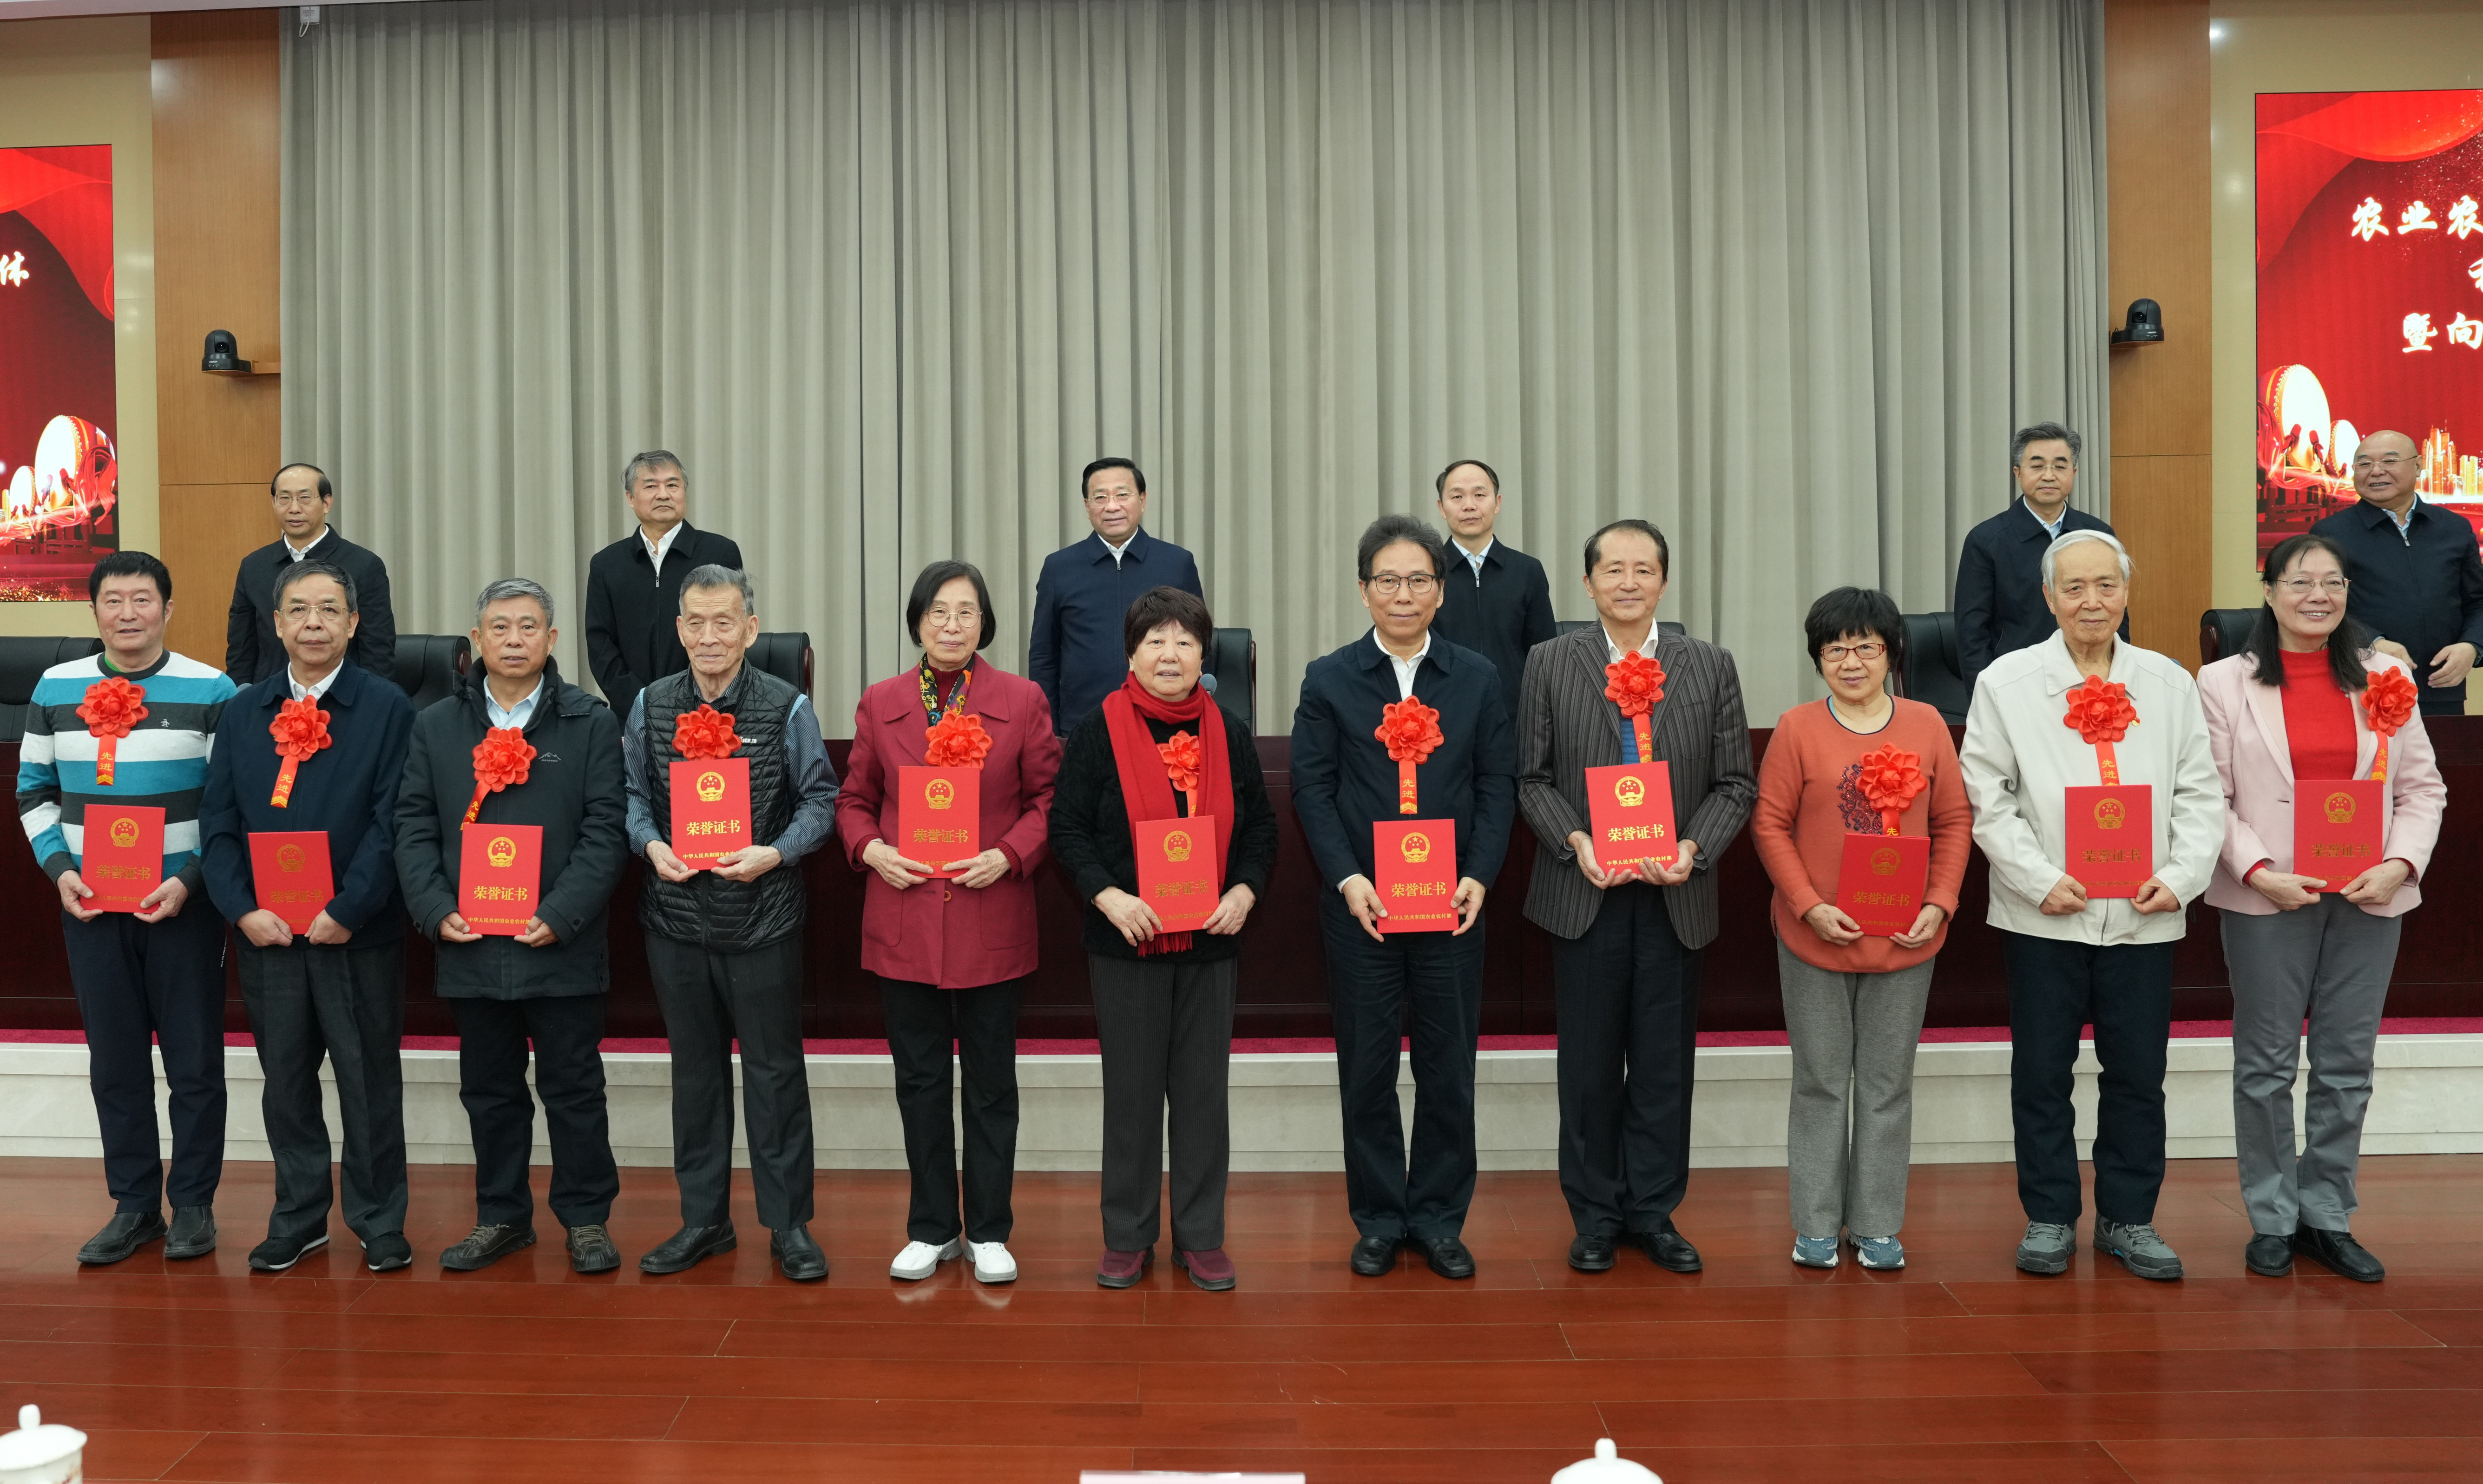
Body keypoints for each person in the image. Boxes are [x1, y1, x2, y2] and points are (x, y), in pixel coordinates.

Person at [1960, 530, 2222, 1281]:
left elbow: (2201, 793)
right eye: (2073, 587)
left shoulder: (2168, 682)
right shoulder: (2006, 682)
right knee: (2041, 1071)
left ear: (2125, 592)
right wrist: (2036, 877)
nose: (2091, 600)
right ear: (2047, 597)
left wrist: (2179, 877)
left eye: (2105, 584)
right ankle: (2048, 1215)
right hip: (2043, 914)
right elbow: (1986, 796)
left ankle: (2127, 1217)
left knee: (2136, 1072)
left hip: (2144, 912)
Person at [2198, 533, 2444, 1282]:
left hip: (2369, 894)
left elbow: (2422, 788)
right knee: (2266, 1064)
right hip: (2270, 895)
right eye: (2301, 582)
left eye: (2333, 582)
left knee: (2346, 1063)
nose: (2318, 595)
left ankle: (2327, 1213)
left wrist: (2399, 863)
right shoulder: (2222, 682)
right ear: (2269, 592)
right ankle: (2273, 1216)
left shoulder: (2385, 675)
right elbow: (2207, 796)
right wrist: (2259, 871)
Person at [1514, 519, 1754, 1275]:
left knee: (1662, 1065)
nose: (1627, 581)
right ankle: (1593, 1216)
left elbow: (1734, 783)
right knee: (1587, 1067)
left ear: (1663, 581)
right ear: (1587, 583)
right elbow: (1531, 778)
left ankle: (1652, 1211)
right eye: (1612, 569)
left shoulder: (1708, 665)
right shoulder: (1548, 662)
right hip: (1584, 891)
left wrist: (1693, 848)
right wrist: (1575, 842)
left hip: (1673, 896)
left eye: (1642, 568)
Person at [1291, 514, 1516, 1280]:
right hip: (1364, 911)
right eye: (1386, 579)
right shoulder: (1329, 678)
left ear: (1440, 590)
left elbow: (1496, 782)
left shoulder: (1476, 676)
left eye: (1418, 579)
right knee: (1368, 1069)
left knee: (1449, 1068)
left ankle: (1439, 1218)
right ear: (1363, 590)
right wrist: (1347, 877)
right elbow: (1313, 788)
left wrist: (1479, 875)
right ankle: (1381, 1218)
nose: (1402, 593)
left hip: (1451, 906)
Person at [836, 560, 1061, 1286]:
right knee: (920, 1081)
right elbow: (853, 800)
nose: (952, 625)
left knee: (992, 1084)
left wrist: (1009, 854)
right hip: (905, 919)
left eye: (966, 612)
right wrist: (872, 850)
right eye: (938, 611)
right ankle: (932, 1227)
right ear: (917, 621)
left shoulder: (1021, 699)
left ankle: (989, 1229)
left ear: (985, 623)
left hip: (990, 916)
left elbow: (1049, 799)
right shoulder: (883, 700)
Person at [395, 578, 629, 1273]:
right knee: (490, 1091)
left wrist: (560, 914)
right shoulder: (436, 725)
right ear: (477, 640)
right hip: (471, 944)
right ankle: (501, 1216)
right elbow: (412, 825)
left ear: (552, 639)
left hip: (561, 945)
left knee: (574, 1088)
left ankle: (586, 1218)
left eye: (529, 627)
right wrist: (434, 908)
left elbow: (605, 830)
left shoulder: (590, 722)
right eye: (500, 627)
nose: (515, 640)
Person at [1050, 586, 1279, 1292]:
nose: (1170, 654)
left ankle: (1201, 1236)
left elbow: (1261, 827)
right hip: (1127, 940)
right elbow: (1068, 827)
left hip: (1211, 941)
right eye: (1155, 641)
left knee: (1204, 1095)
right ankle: (1127, 1236)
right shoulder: (1097, 728)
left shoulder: (1228, 730)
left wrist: (1244, 891)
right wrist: (1109, 895)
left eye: (1184, 641)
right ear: (1131, 653)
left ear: (1205, 653)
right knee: (1132, 1095)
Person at [17, 552, 238, 1265]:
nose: (128, 613)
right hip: (90, 907)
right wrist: (60, 870)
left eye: (143, 599)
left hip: (183, 910)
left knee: (195, 1062)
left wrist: (191, 882)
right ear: (95, 611)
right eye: (114, 600)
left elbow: (229, 805)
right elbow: (34, 790)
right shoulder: (56, 687)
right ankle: (135, 1205)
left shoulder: (212, 688)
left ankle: (194, 1203)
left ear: (167, 609)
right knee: (115, 1061)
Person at [622, 565, 840, 1283]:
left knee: (775, 1074)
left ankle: (789, 1224)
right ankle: (703, 1220)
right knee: (696, 1074)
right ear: (679, 629)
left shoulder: (786, 705)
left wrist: (774, 853)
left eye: (724, 622)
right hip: (676, 921)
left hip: (762, 918)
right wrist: (649, 844)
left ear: (750, 629)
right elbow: (631, 794)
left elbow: (821, 800)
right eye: (696, 622)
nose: (709, 636)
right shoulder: (650, 703)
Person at [199, 560, 418, 1273]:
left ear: (354, 622)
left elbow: (396, 821)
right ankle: (298, 1216)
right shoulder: (244, 711)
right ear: (277, 623)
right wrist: (242, 909)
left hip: (357, 933)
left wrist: (348, 907)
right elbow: (218, 823)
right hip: (268, 936)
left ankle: (379, 1218)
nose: (314, 623)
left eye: (329, 609)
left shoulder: (387, 707)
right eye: (299, 609)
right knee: (286, 1083)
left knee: (368, 1082)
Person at [1749, 587, 1971, 1271]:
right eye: (1835, 649)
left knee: (1886, 1084)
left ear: (1892, 652)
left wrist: (1940, 901)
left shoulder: (1927, 724)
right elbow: (1769, 824)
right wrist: (1808, 904)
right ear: (1818, 658)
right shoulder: (1796, 728)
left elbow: (1953, 821)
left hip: (1906, 937)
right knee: (1821, 1081)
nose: (1851, 661)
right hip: (1815, 937)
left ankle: (1876, 1223)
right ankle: (1816, 1223)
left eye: (1866, 647)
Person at [2309, 428, 2483, 717]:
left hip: (2440, 687)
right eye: (2364, 463)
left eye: (2389, 461)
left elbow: (2478, 602)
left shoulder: (2454, 528)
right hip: (2363, 684)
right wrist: (2371, 643)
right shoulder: (2330, 534)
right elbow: (2319, 606)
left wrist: (2472, 646)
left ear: (2418, 466)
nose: (2376, 471)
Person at [1028, 458, 1205, 733]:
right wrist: (1048, 728)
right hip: (1082, 725)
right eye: (1100, 497)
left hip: (1164, 723)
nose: (1112, 506)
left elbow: (1199, 644)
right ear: (1087, 506)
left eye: (1123, 495)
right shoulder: (1059, 568)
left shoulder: (1177, 564)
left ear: (1142, 500)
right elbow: (1043, 656)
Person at [1953, 423, 2122, 686]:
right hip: (2017, 682)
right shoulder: (1986, 540)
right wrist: (1986, 696)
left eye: (2060, 466)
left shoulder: (2098, 534)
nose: (2049, 476)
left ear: (2074, 472)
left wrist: (2115, 680)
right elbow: (1971, 635)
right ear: (2018, 473)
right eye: (2038, 466)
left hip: (2092, 680)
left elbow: (2117, 614)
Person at [584, 450, 747, 719]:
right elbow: (600, 644)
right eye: (651, 487)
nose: (663, 495)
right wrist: (640, 703)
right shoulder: (607, 564)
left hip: (708, 713)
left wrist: (697, 700)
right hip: (633, 713)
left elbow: (733, 629)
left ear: (684, 493)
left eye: (672, 485)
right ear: (630, 498)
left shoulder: (720, 552)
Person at [224, 463, 397, 685]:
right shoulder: (254, 566)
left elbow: (377, 650)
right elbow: (241, 649)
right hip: (272, 696)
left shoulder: (364, 565)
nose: (294, 508)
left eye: (305, 498)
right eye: (284, 498)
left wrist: (373, 699)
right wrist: (242, 698)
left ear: (327, 503)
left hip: (343, 695)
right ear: (274, 503)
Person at [1429, 458, 1558, 724]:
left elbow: (1545, 654)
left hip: (1517, 718)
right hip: (1441, 715)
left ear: (1497, 503)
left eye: (1479, 495)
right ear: (1442, 507)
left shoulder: (1527, 571)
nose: (1469, 505)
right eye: (1457, 497)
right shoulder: (1426, 574)